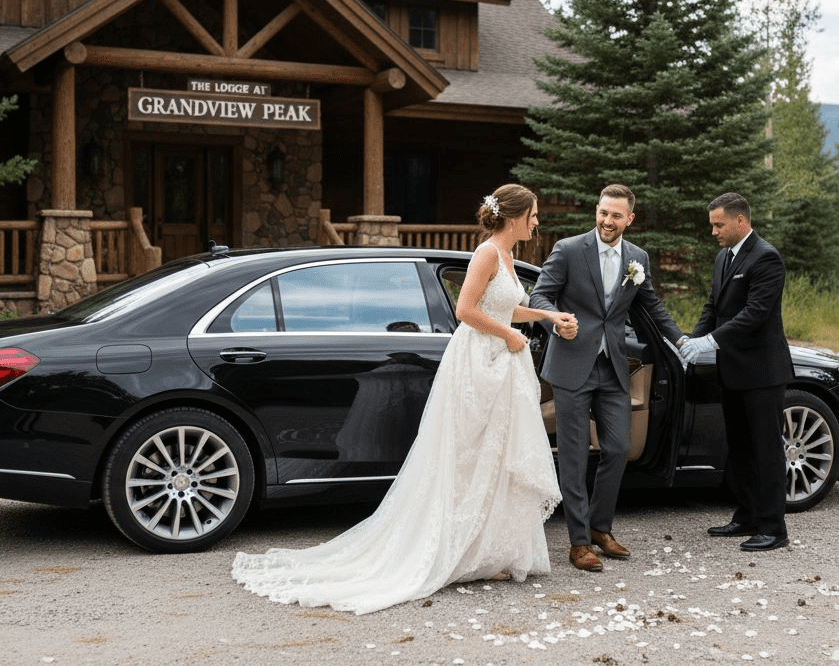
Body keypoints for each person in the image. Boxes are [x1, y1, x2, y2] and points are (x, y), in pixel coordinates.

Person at [231, 184, 573, 614]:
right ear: (515, 216)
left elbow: (504, 307)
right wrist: (508, 335)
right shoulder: (487, 252)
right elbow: (466, 310)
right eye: (534, 214)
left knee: (495, 454)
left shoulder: (505, 256)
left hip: (501, 363)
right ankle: (454, 551)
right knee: (466, 456)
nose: (538, 222)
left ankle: (484, 552)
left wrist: (543, 315)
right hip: (478, 361)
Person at [529, 183, 686, 572]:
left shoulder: (638, 258)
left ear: (629, 219)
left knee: (618, 448)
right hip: (571, 366)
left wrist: (681, 340)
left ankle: (601, 528)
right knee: (574, 453)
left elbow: (651, 306)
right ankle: (579, 542)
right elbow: (540, 297)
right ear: (596, 211)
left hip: (613, 366)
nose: (607, 221)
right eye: (603, 212)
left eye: (616, 215)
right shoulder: (568, 249)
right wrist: (556, 319)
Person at [680, 192, 794, 552]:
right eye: (712, 224)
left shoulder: (767, 258)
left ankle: (774, 529)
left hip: (762, 373)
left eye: (719, 224)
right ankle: (746, 517)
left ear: (740, 221)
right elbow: (713, 307)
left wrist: (710, 342)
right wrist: (688, 342)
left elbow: (755, 314)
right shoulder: (723, 257)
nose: (713, 230)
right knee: (740, 449)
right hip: (732, 371)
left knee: (767, 450)